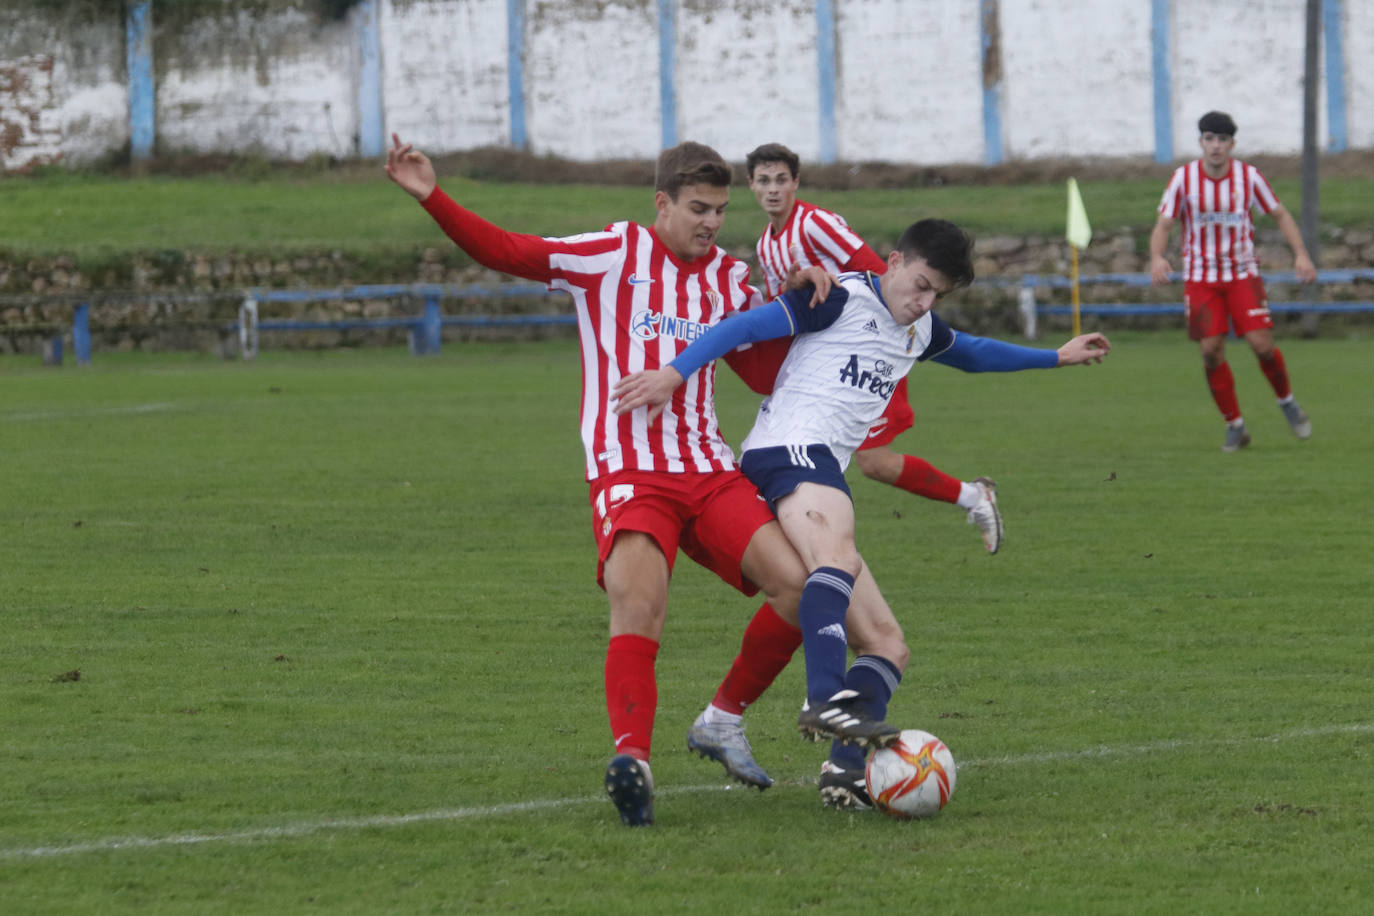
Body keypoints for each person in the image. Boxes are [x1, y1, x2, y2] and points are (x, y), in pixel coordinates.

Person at [385, 133, 898, 827]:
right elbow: (508, 251)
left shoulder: (727, 279)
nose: (712, 222)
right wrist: (433, 197)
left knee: (802, 590)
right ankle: (633, 759)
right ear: (662, 203)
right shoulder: (611, 253)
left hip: (710, 472)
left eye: (719, 209)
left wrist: (801, 303)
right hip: (630, 473)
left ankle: (722, 718)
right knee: (639, 606)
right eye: (698, 208)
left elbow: (761, 371)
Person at [615, 219, 1112, 808]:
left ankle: (843, 770)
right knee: (838, 557)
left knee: (886, 644)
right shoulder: (837, 298)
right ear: (895, 262)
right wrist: (675, 372)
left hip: (816, 465)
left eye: (937, 295)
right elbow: (743, 326)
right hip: (788, 450)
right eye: (920, 285)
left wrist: (1055, 357)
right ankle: (824, 698)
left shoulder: (918, 328)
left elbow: (975, 354)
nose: (923, 302)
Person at [736, 142, 1004, 555]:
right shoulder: (766, 244)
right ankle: (971, 497)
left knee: (875, 461)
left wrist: (891, 335)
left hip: (873, 350)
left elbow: (878, 270)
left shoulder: (814, 224)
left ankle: (973, 498)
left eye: (781, 180)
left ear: (796, 182)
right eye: (763, 181)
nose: (773, 189)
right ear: (750, 185)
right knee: (870, 463)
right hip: (831, 363)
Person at [1149, 110, 1316, 452]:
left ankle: (1287, 402)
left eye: (1222, 140)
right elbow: (1164, 225)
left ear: (1232, 144)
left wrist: (1300, 253)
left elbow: (1280, 214)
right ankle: (1235, 426)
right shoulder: (1183, 179)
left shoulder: (1249, 177)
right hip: (1200, 279)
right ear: (1201, 142)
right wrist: (1156, 257)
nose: (1215, 146)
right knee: (1210, 351)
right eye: (1209, 139)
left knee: (1262, 346)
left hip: (1242, 275)